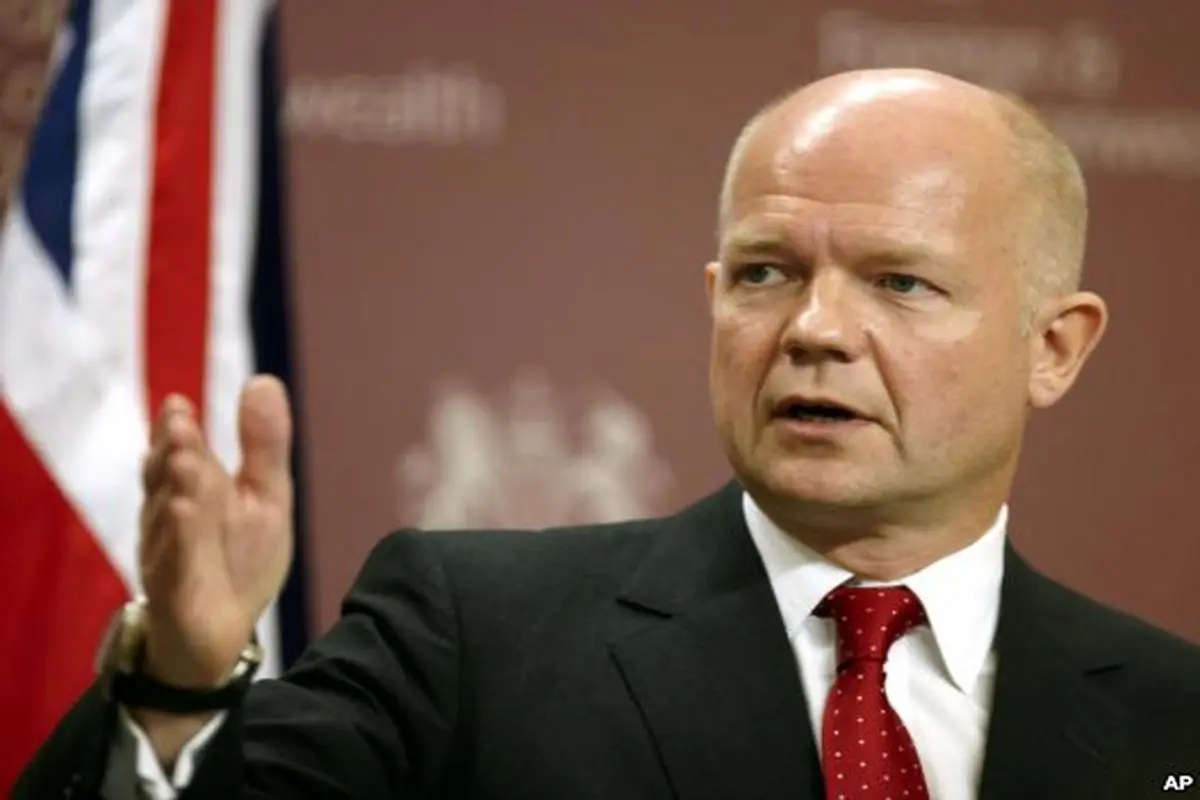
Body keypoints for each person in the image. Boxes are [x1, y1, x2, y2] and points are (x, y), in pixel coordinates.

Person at [15, 67, 1200, 800]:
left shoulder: (1172, 711)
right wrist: (176, 681)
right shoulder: (472, 636)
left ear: (1055, 345)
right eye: (767, 273)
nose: (813, 329)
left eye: (899, 282)